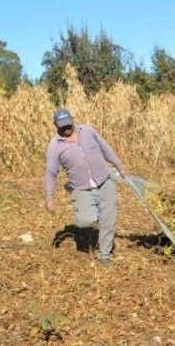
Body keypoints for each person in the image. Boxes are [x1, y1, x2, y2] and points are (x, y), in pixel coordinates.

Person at [44, 108, 126, 266]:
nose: (66, 128)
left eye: (68, 124)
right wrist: (49, 197)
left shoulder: (88, 131)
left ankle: (105, 254)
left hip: (104, 182)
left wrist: (119, 165)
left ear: (73, 120)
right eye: (62, 126)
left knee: (108, 220)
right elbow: (51, 172)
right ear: (55, 124)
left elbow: (105, 149)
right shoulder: (55, 145)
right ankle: (91, 217)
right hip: (81, 188)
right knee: (85, 221)